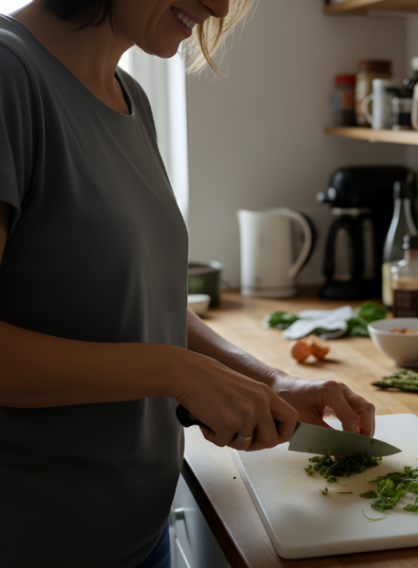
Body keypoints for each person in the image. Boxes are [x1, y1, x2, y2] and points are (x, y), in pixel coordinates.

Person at [0, 1, 375, 566]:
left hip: (140, 535)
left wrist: (273, 381)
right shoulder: (9, 74)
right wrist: (177, 371)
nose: (220, 6)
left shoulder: (129, 96)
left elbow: (148, 302)